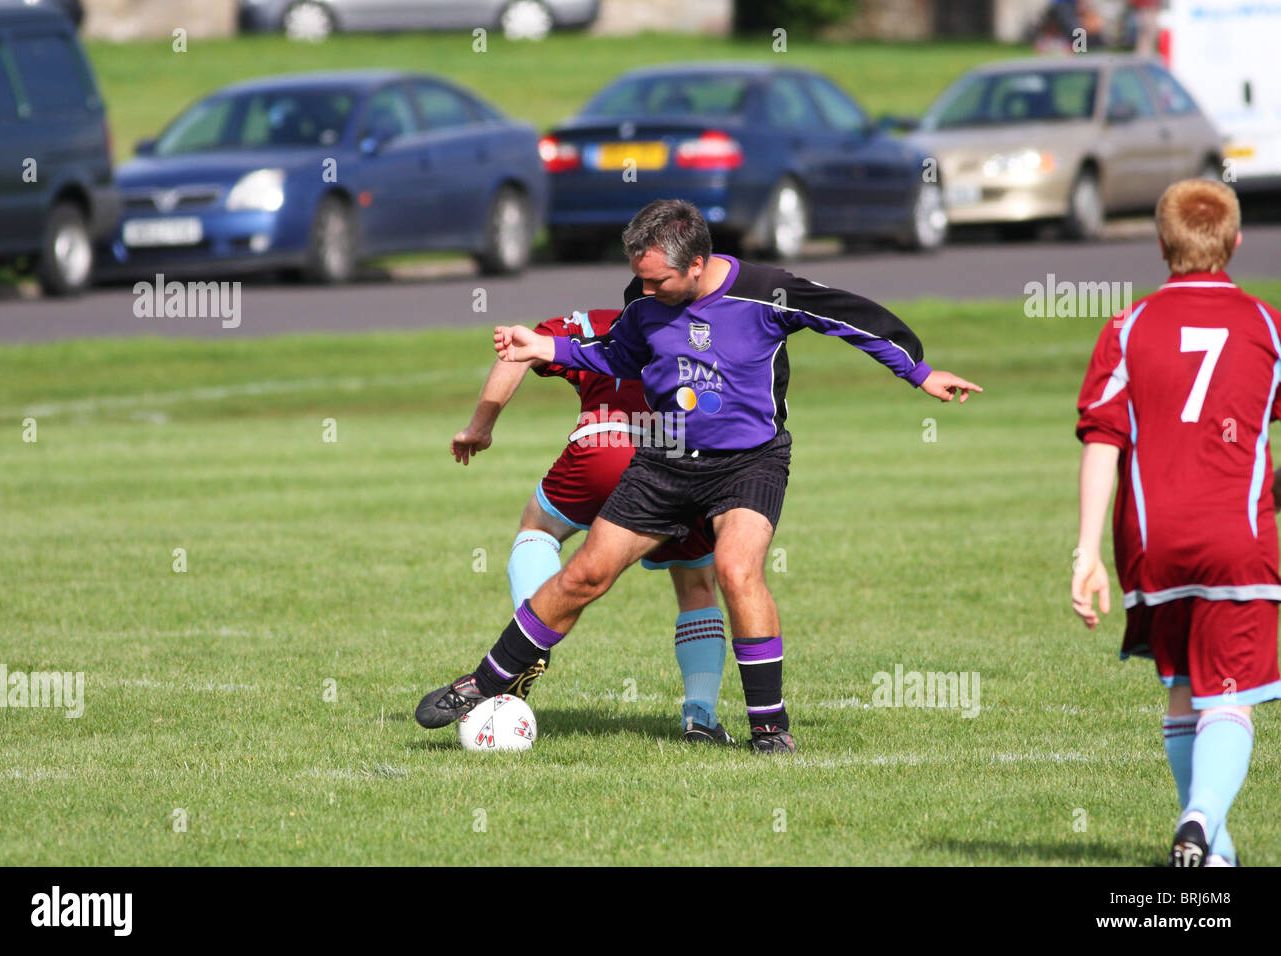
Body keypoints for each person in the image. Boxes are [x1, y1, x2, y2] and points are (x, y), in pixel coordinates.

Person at [418, 198, 981, 754]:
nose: (644, 292)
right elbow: (620, 356)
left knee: (737, 572)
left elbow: (849, 315)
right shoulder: (645, 302)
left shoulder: (765, 290)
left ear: (696, 264)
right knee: (586, 574)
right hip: (663, 460)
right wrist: (546, 346)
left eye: (656, 280)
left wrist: (920, 372)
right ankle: (485, 683)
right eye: (638, 278)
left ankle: (769, 727)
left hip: (749, 464)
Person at [1072, 178, 1281, 866]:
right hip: (1239, 540)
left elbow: (1102, 437)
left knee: (1185, 690)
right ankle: (1199, 818)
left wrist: (1085, 552)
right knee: (1231, 695)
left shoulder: (1127, 328)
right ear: (1237, 242)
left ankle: (1213, 854)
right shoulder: (1266, 327)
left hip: (1153, 543)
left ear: (1161, 244)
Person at [449, 307, 734, 743]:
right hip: (676, 459)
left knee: (540, 527)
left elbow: (517, 351)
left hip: (602, 447)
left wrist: (480, 427)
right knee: (696, 584)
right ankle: (700, 715)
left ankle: (531, 639)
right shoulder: (704, 328)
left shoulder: (592, 322)